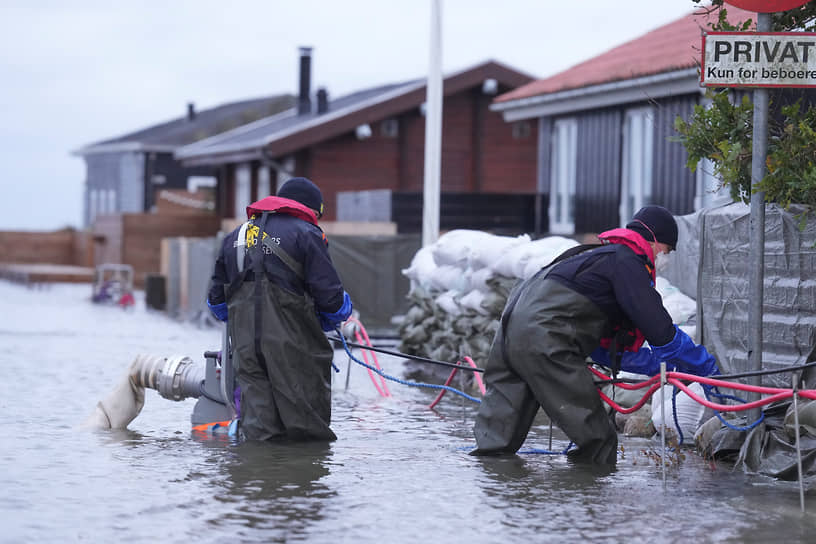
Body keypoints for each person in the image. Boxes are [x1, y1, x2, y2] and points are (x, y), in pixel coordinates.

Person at [471, 205, 719, 464]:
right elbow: (662, 333)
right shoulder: (627, 262)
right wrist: (705, 367)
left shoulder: (593, 258)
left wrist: (660, 368)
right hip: (546, 337)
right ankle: (581, 501)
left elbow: (605, 348)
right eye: (667, 252)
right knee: (599, 443)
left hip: (510, 331)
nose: (664, 260)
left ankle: (495, 494)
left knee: (496, 443)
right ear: (655, 241)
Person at [206, 177, 352, 442]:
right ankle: (299, 480)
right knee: (307, 433)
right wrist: (337, 314)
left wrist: (245, 321)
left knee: (260, 432)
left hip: (246, 351)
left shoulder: (235, 236)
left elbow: (216, 303)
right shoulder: (307, 234)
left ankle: (260, 478)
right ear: (310, 209)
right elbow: (332, 302)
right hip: (293, 350)